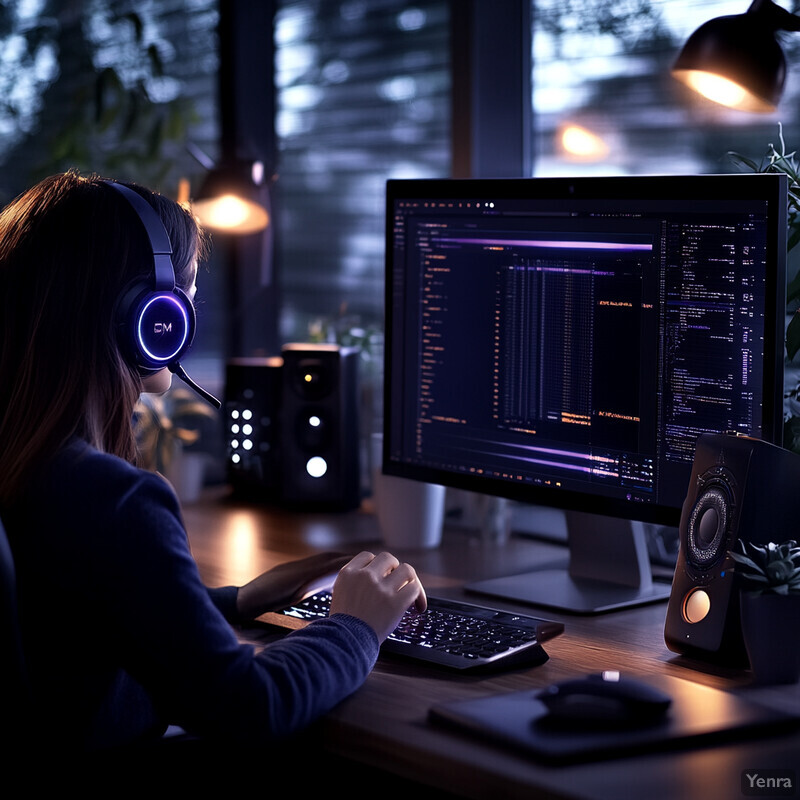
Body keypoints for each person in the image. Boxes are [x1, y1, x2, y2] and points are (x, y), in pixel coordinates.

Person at [0, 171, 426, 753]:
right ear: (153, 319)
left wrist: (230, 602)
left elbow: (79, 619)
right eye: (185, 298)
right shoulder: (112, 499)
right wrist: (354, 627)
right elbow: (248, 705)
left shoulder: (26, 464)